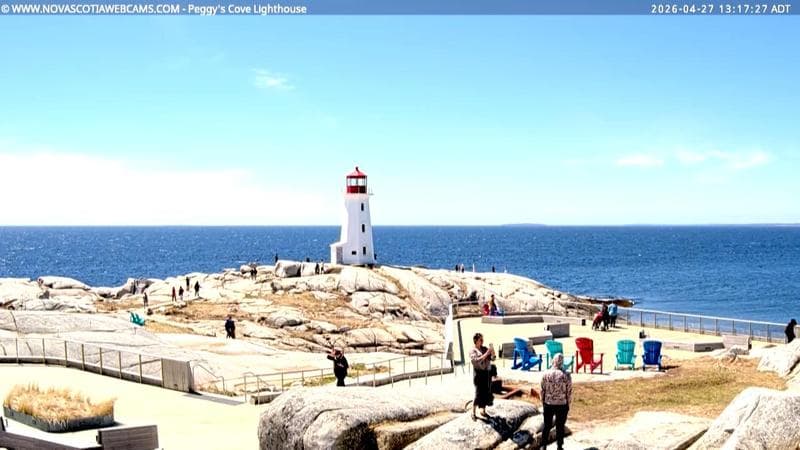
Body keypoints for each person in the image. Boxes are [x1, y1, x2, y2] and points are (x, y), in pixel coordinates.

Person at [540, 353, 572, 450]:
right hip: (562, 404)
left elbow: (542, 390)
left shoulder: (545, 374)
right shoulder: (566, 375)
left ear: (553, 361)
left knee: (547, 425)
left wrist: (543, 402)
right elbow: (569, 391)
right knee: (560, 426)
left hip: (548, 403)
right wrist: (568, 403)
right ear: (562, 362)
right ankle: (559, 446)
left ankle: (544, 445)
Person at [469, 332, 494, 420]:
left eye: (483, 339)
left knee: (486, 392)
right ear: (476, 341)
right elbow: (476, 361)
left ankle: (483, 410)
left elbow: (492, 358)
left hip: (486, 373)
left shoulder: (484, 348)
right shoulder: (473, 350)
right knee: (478, 392)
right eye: (480, 340)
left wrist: (492, 351)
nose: (482, 341)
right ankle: (473, 412)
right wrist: (487, 354)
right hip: (478, 373)